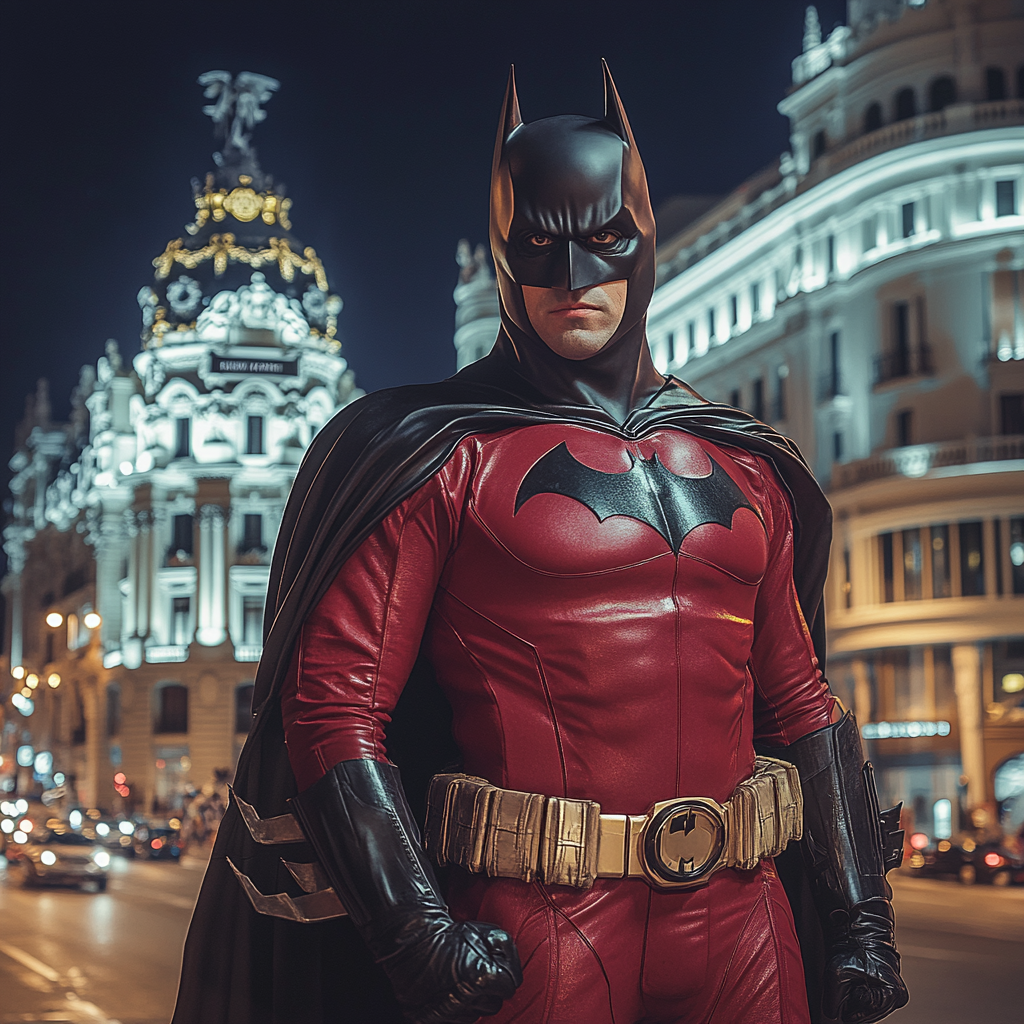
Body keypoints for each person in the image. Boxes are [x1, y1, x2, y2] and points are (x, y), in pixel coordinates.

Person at [173, 63, 908, 1024]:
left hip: (745, 919)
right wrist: (418, 933)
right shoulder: (439, 455)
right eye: (539, 245)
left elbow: (804, 705)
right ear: (501, 253)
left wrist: (860, 919)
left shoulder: (744, 464)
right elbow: (333, 709)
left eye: (603, 241)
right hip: (544, 926)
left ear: (642, 240)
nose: (573, 279)